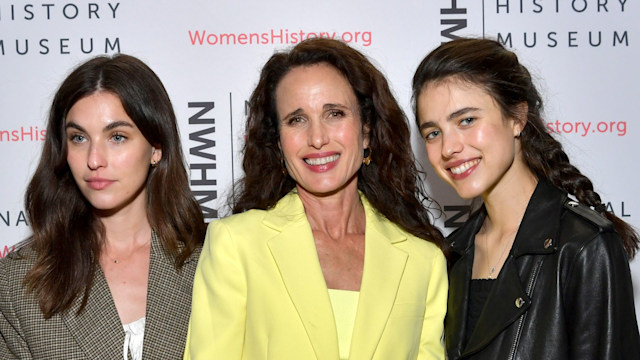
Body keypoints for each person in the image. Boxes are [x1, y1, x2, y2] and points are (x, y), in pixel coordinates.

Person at [184, 38, 448, 360]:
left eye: (334, 113)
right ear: (278, 143)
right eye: (297, 119)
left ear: (366, 132)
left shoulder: (423, 262)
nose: (317, 138)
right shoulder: (235, 245)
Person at [412, 37, 640, 359]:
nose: (448, 148)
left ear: (517, 117)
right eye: (433, 132)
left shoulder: (584, 246)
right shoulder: (451, 255)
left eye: (466, 120)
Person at [0, 54, 206, 359]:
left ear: (156, 148)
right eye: (79, 137)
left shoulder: (215, 259)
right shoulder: (18, 281)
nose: (94, 159)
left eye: (117, 137)